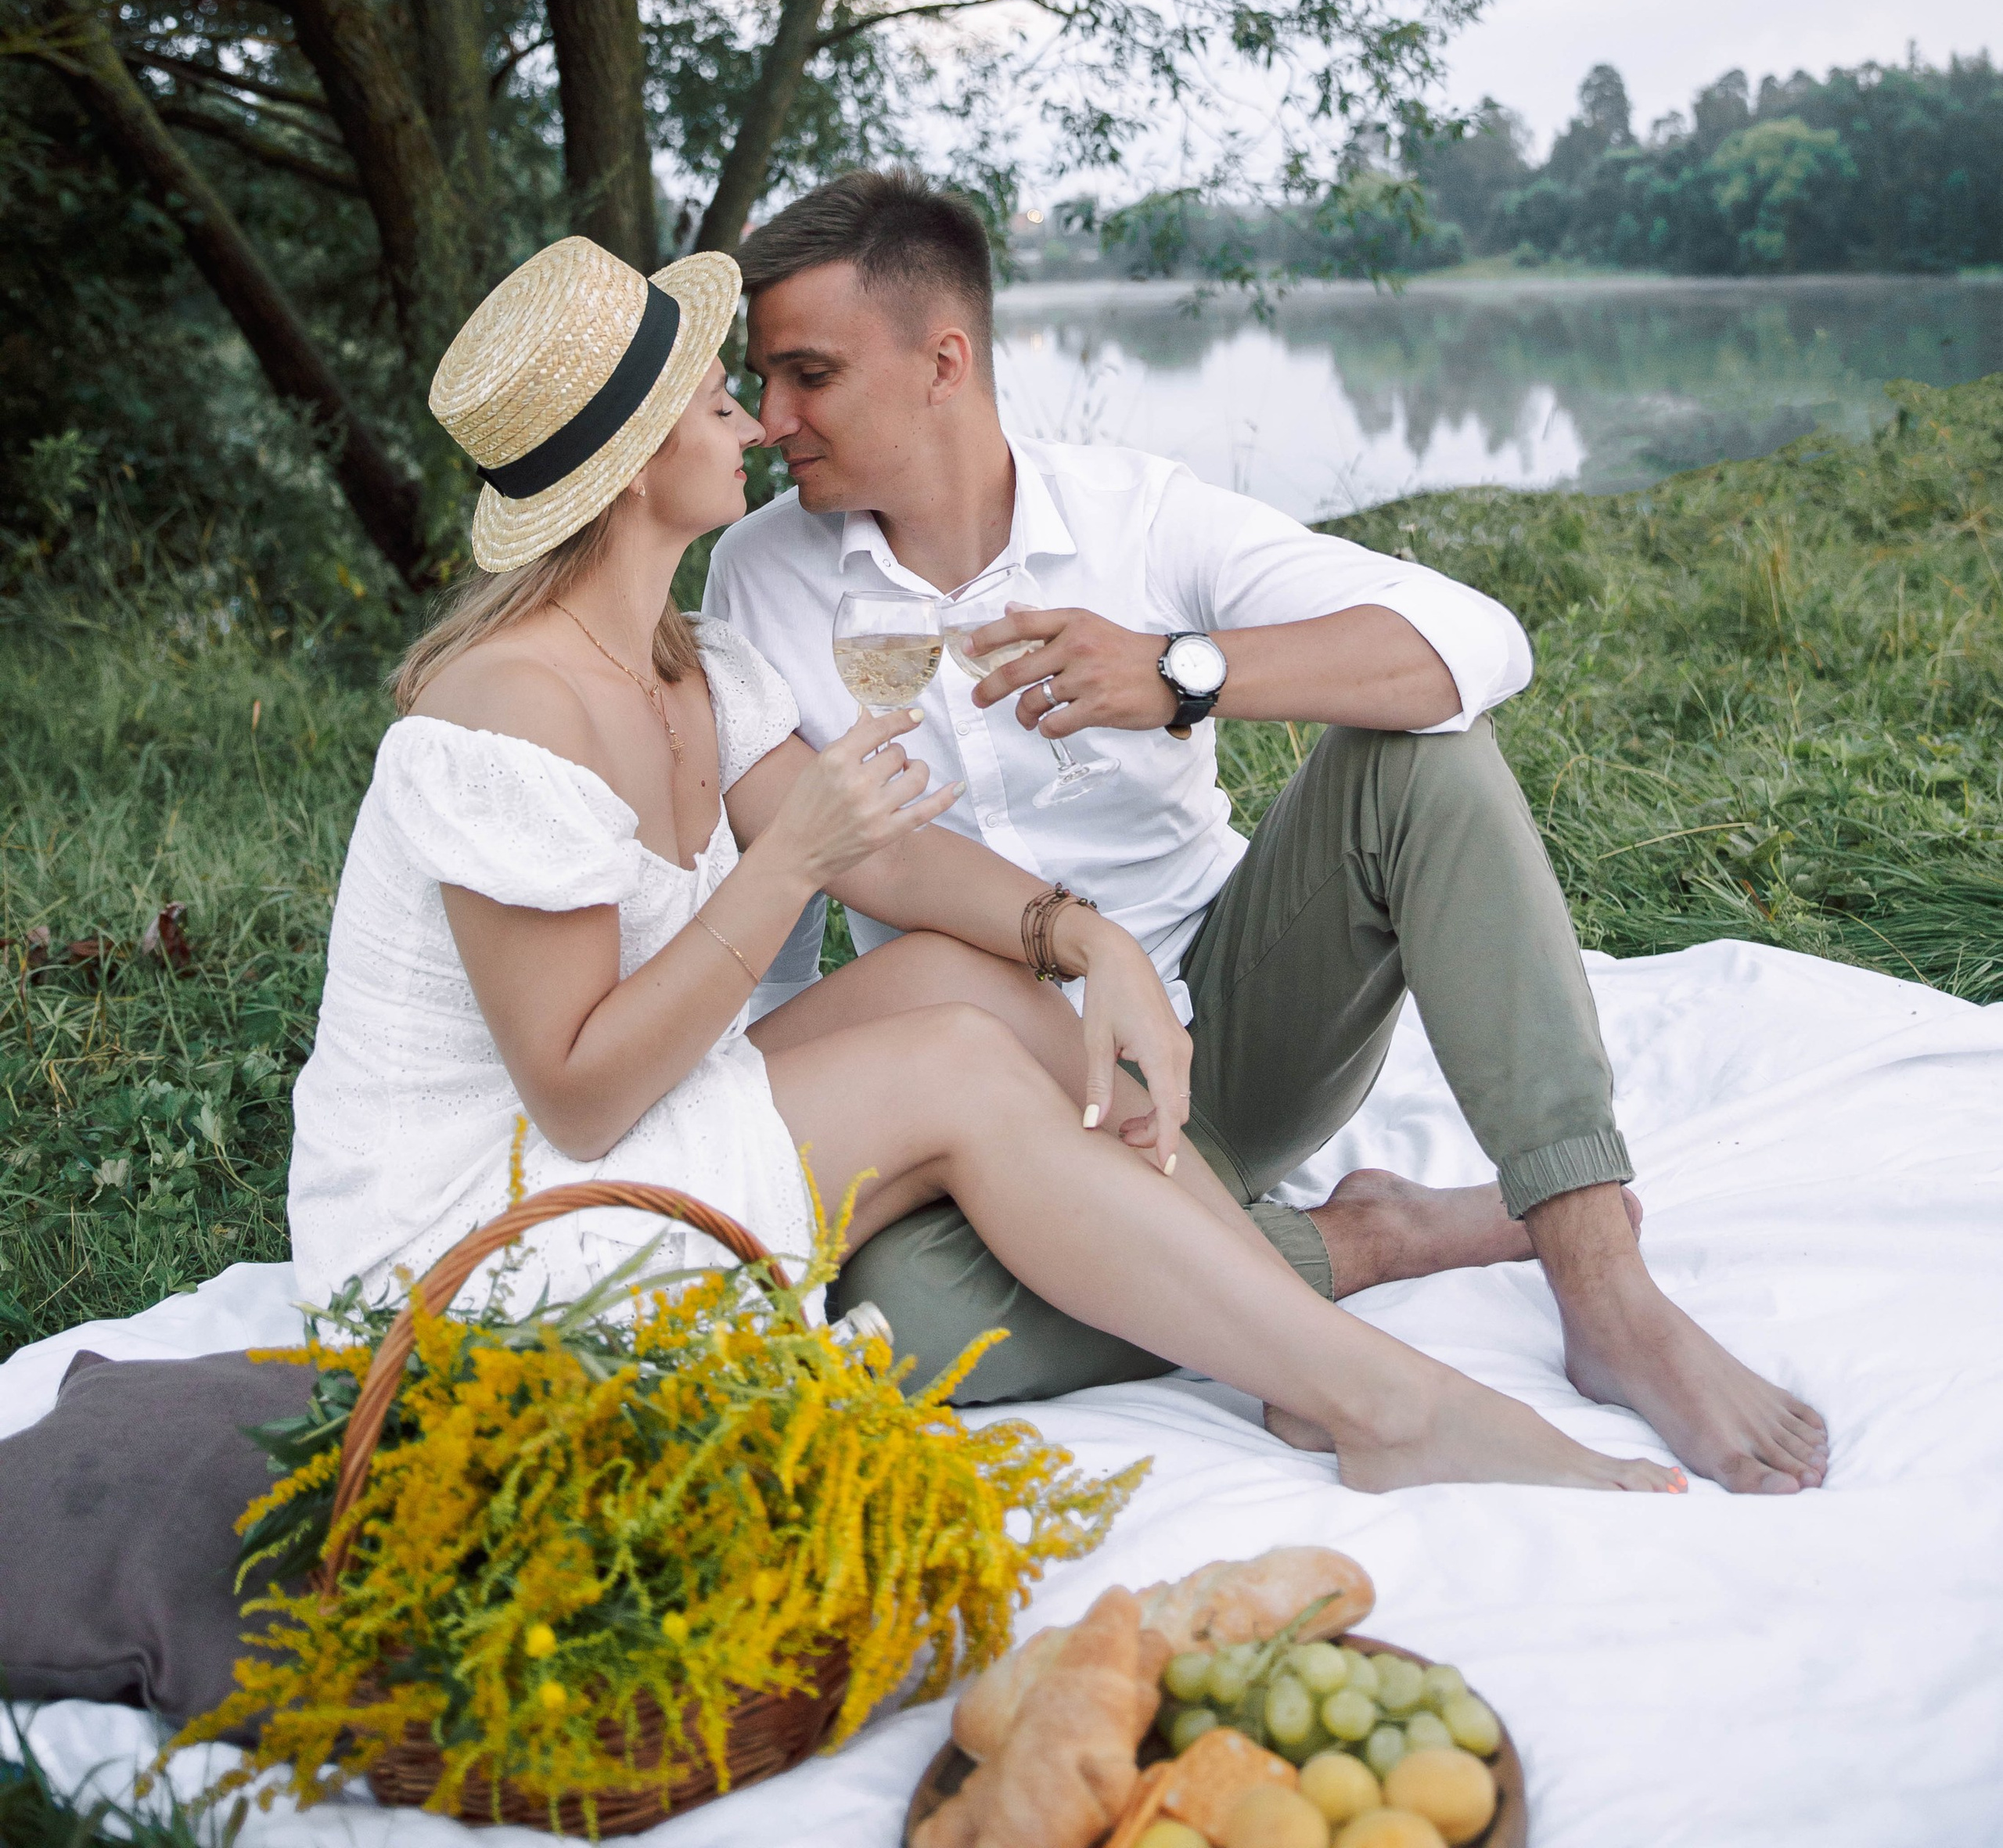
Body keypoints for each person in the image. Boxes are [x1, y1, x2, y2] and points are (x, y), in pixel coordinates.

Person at [289, 232, 1690, 1494]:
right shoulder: (509, 711)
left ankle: (1320, 1360)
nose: (757, 423)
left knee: (967, 987)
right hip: (482, 1221)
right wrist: (786, 872)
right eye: (722, 400)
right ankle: (1378, 1394)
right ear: (641, 460)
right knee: (949, 1078)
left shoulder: (692, 660)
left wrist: (1084, 936)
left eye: (778, 383)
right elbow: (583, 1097)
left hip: (659, 1117)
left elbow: (889, 869)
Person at [703, 172, 1831, 1496]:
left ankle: (1603, 1281)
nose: (771, 420)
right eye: (763, 380)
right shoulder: (759, 575)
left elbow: (1475, 642)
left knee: (1425, 755)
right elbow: (791, 881)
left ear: (944, 363)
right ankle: (1368, 1243)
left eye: (810, 375)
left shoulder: (1138, 515)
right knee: (895, 1325)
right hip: (1004, 1106)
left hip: (1231, 1030)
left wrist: (1183, 671)